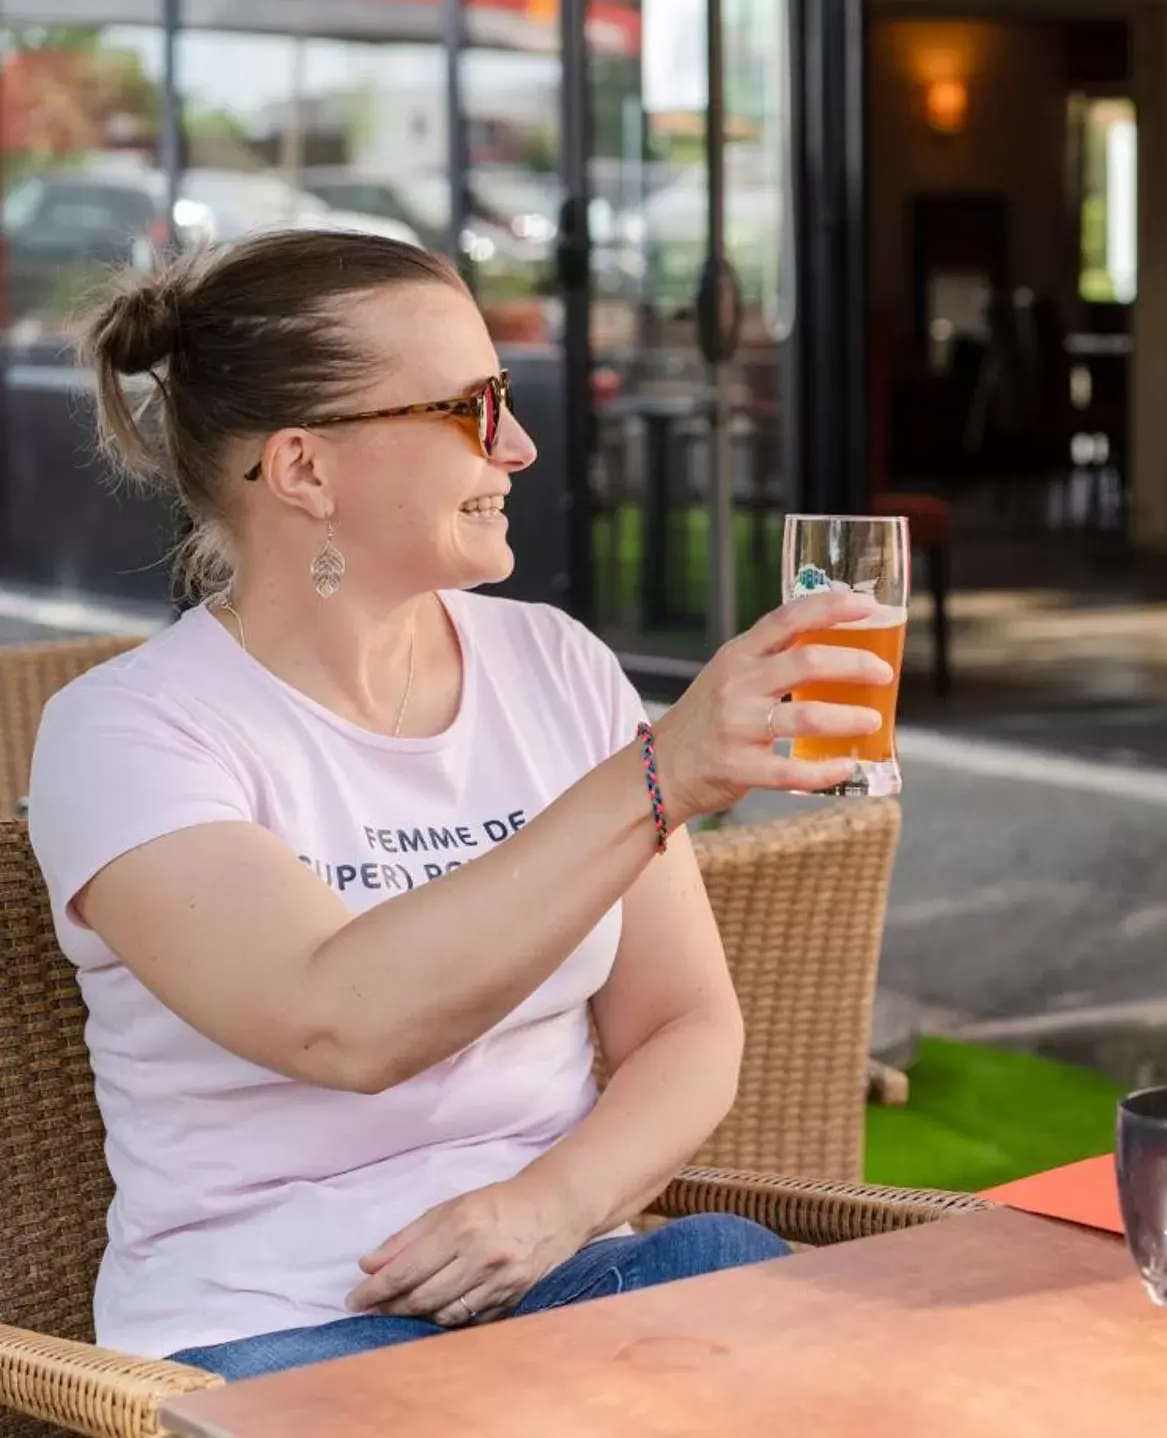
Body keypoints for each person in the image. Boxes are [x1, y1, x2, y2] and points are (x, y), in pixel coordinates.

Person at [27, 230, 895, 1379]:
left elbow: (687, 1027)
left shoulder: (557, 665)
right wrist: (660, 776)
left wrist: (549, 1205)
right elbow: (342, 1021)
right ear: (306, 471)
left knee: (760, 1288)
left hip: (569, 1275)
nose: (522, 446)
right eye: (475, 409)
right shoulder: (128, 733)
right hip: (274, 1330)